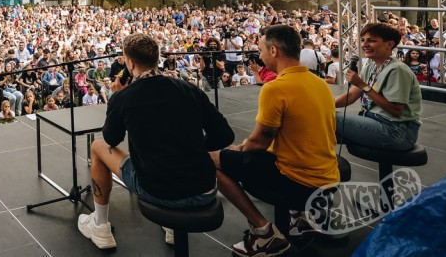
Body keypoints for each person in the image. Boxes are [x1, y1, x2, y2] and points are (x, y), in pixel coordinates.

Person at [79, 34, 233, 250]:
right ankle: (171, 228)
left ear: (130, 63)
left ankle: (100, 225)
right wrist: (195, 148)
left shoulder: (125, 97)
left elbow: (111, 139)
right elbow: (225, 136)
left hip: (158, 191)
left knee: (97, 147)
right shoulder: (188, 89)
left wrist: (116, 98)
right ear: (157, 58)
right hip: (205, 189)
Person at [210, 25, 339, 257]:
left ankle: (263, 233)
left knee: (211, 161)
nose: (259, 56)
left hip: (299, 183)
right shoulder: (320, 83)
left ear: (273, 51)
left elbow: (258, 142)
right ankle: (299, 218)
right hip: (328, 178)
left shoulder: (275, 88)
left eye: (260, 50)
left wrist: (239, 149)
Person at [335, 23, 422, 152]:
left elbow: (396, 110)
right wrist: (321, 105)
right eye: (363, 40)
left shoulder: (397, 70)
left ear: (390, 44)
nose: (364, 45)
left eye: (371, 41)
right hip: (374, 121)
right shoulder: (370, 67)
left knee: (328, 118)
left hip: (397, 131)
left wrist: (362, 85)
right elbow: (351, 96)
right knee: (316, 122)